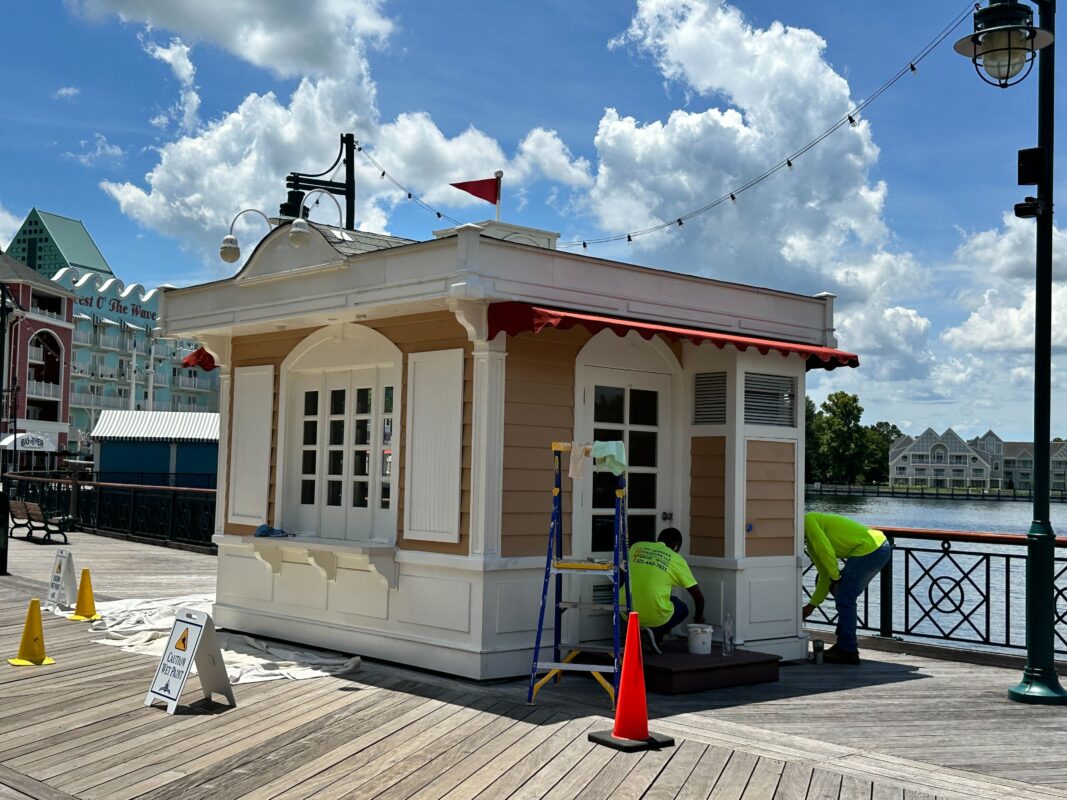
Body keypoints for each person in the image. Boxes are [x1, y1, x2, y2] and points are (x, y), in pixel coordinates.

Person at [803, 512, 891, 665]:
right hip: (878, 546)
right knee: (844, 596)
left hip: (871, 549)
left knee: (845, 598)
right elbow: (825, 574)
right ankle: (843, 645)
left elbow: (826, 552)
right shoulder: (810, 541)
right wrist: (812, 605)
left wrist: (836, 579)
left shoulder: (809, 521)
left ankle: (848, 650)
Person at [626, 527, 705, 653]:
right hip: (652, 615)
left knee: (669, 599)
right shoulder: (676, 559)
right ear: (675, 546)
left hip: (625, 611)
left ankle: (642, 633)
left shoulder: (637, 547)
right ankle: (654, 634)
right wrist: (698, 617)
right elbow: (698, 598)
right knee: (682, 608)